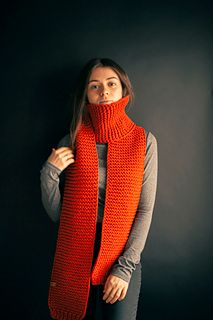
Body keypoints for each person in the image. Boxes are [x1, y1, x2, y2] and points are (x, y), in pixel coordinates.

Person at [40, 57, 158, 320]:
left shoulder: (144, 142)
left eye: (111, 83)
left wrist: (124, 268)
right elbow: (59, 215)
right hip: (75, 257)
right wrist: (49, 173)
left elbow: (145, 208)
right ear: (86, 95)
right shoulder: (71, 139)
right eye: (94, 86)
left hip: (121, 257)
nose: (103, 91)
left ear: (123, 89)